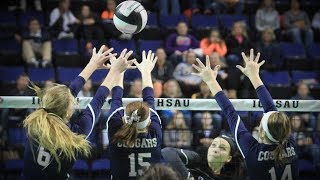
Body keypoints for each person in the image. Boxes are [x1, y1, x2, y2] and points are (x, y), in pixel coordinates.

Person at [22, 46, 135, 179]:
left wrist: (92, 65)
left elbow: (65, 96)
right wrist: (115, 70)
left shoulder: (36, 121)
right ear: (68, 111)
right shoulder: (74, 133)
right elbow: (98, 99)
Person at [192, 49, 298, 179]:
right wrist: (254, 76)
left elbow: (267, 108)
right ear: (286, 130)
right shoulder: (290, 144)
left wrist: (210, 81)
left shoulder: (254, 151)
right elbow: (231, 112)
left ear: (262, 132)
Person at [106, 50, 162, 179]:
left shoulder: (115, 126)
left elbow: (116, 98)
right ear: (148, 122)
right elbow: (149, 99)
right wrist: (146, 72)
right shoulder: (154, 129)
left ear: (124, 118)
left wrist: (119, 70)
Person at [162, 135, 245, 179]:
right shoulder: (196, 159)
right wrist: (188, 177)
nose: (215, 149)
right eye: (213, 145)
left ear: (228, 158)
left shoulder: (227, 177)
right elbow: (167, 152)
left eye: (222, 148)